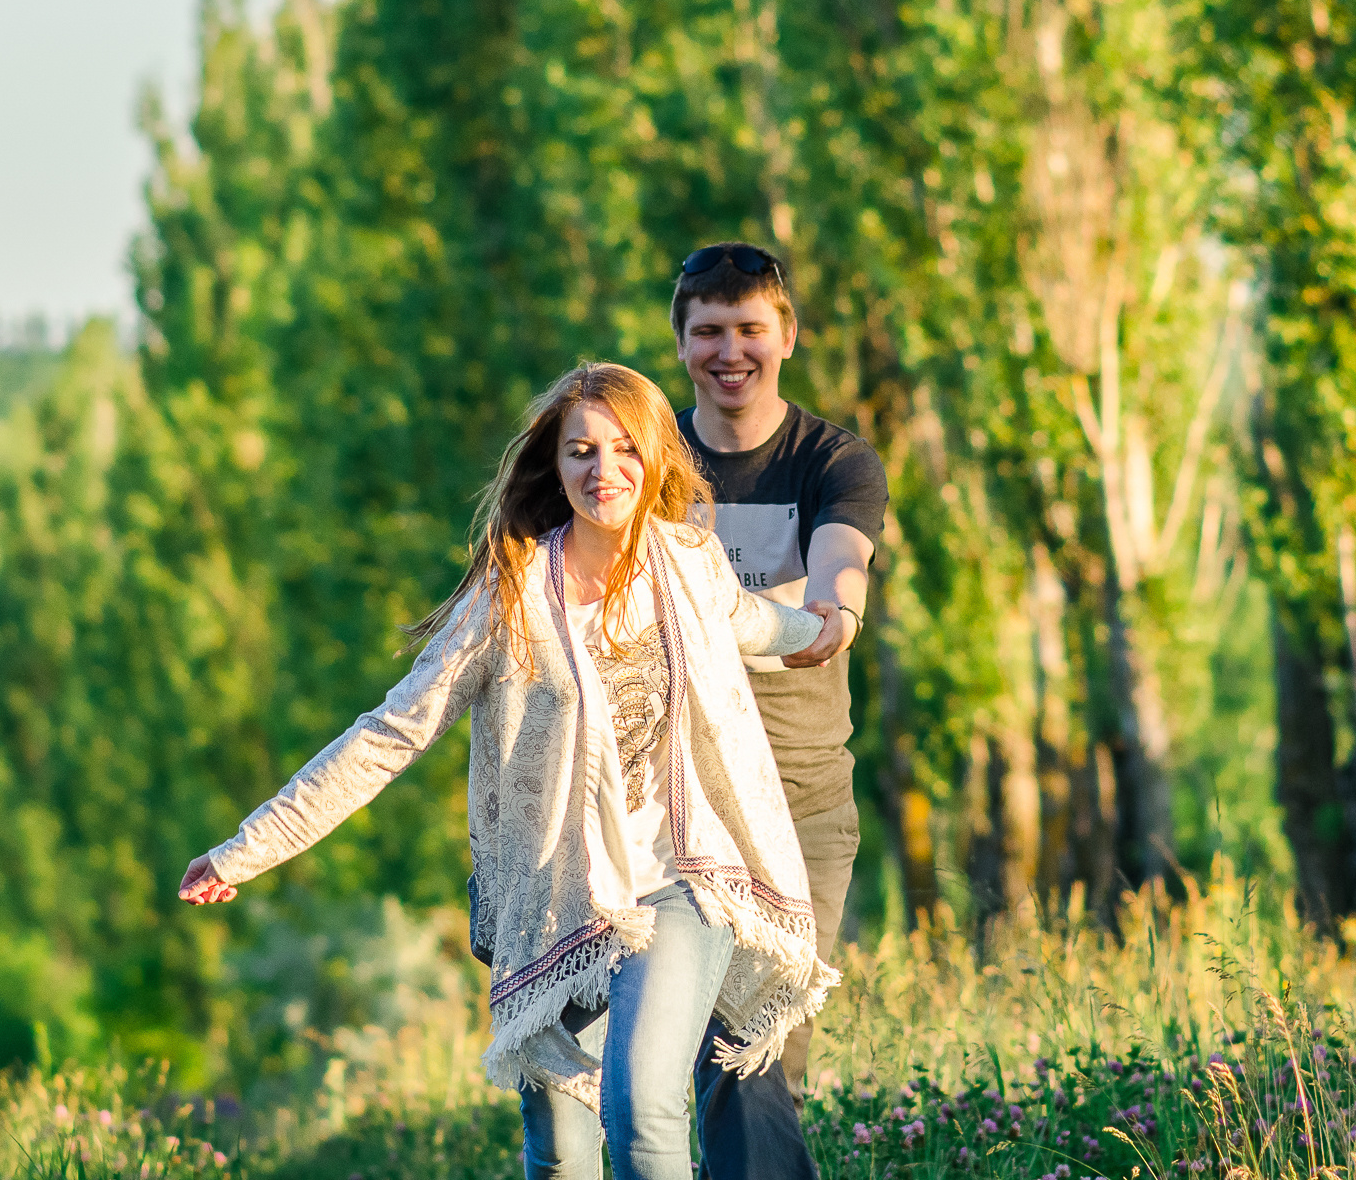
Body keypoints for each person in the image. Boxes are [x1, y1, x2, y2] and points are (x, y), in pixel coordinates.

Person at [175, 361, 853, 1180]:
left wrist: (822, 627)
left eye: (625, 448)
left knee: (642, 1108)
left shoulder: (691, 564)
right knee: (562, 1154)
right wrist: (248, 847)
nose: (605, 471)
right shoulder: (511, 595)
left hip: (687, 878)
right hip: (556, 897)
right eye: (582, 452)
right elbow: (391, 733)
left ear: (656, 459)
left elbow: (751, 622)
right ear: (555, 465)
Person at [671, 243, 889, 1180]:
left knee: (761, 1048)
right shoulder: (648, 462)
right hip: (680, 801)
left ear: (786, 337)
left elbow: (843, 563)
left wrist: (834, 613)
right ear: (680, 341)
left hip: (801, 801)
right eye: (709, 332)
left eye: (750, 330)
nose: (731, 352)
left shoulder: (831, 459)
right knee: (719, 1053)